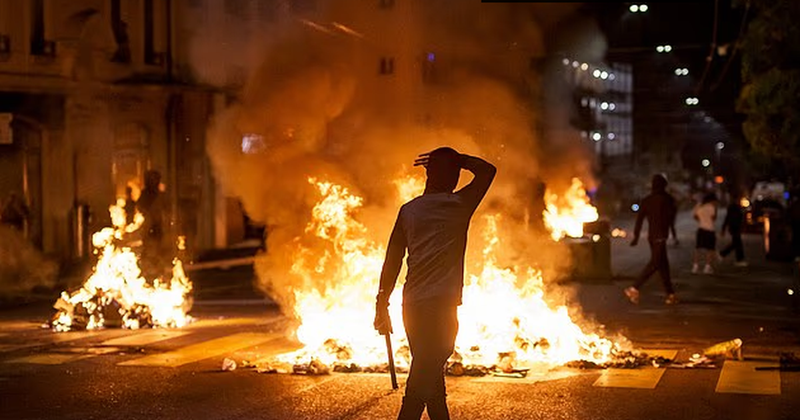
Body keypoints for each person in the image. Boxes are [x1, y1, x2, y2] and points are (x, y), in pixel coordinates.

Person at [374, 147, 496, 420]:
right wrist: (460, 160)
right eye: (454, 172)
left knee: (431, 377)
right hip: (441, 306)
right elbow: (488, 170)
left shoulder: (409, 211)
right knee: (425, 376)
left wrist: (381, 304)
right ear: (454, 176)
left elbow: (392, 260)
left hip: (413, 306)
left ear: (428, 173)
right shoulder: (461, 204)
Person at [625, 174, 678, 305]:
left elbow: (639, 220)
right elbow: (671, 219)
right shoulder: (668, 199)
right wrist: (673, 234)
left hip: (652, 237)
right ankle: (634, 288)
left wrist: (636, 237)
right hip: (661, 236)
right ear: (664, 185)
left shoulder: (647, 200)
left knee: (663, 265)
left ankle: (671, 294)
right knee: (655, 263)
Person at [136, 170, 170, 279]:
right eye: (152, 179)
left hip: (158, 225)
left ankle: (158, 273)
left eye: (155, 179)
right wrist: (149, 214)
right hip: (150, 226)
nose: (154, 181)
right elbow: (141, 207)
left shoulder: (160, 195)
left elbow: (166, 208)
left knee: (159, 249)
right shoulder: (146, 194)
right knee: (150, 249)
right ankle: (148, 273)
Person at [692, 192, 718, 274]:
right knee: (710, 249)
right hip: (710, 230)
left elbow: (695, 216)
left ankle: (695, 266)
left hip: (701, 229)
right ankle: (707, 267)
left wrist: (701, 220)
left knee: (698, 248)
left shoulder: (699, 206)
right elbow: (714, 218)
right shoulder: (712, 207)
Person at [720, 190, 747, 266]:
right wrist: (723, 228)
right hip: (734, 227)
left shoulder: (738, 206)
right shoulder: (733, 206)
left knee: (736, 243)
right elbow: (727, 218)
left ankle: (723, 254)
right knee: (737, 243)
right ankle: (739, 260)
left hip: (736, 227)